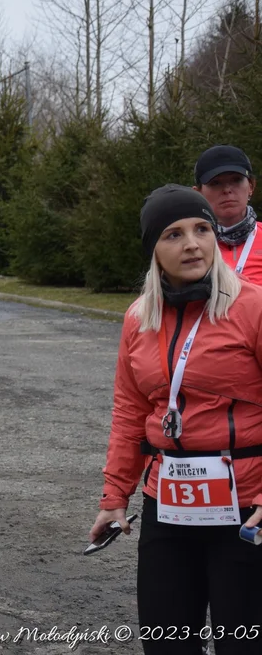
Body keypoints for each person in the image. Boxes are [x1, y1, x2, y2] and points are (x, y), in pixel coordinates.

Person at [91, 184, 262, 655]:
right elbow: (129, 412)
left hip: (247, 508)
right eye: (173, 233)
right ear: (153, 251)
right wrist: (115, 495)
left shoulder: (253, 308)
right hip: (169, 505)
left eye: (202, 229)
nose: (192, 243)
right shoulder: (137, 318)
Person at [192, 145, 262, 283]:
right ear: (198, 193)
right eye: (215, 182)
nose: (227, 189)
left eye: (236, 180)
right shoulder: (189, 246)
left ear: (251, 186)